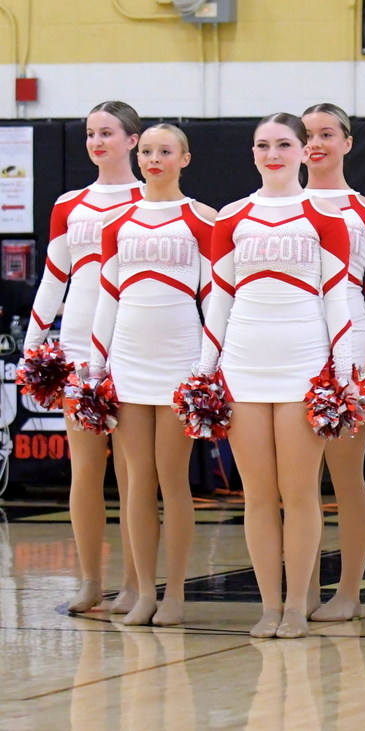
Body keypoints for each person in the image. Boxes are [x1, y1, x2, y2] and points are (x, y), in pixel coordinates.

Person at [199, 113, 354, 639]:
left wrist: (342, 372)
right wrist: (205, 372)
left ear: (303, 150)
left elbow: (337, 300)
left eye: (284, 144)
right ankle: (269, 606)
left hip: (304, 366)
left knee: (300, 492)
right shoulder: (232, 216)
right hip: (243, 364)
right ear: (253, 152)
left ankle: (296, 606)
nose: (273, 154)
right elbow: (219, 300)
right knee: (258, 494)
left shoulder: (325, 216)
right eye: (263, 145)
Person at [88, 124, 215, 626]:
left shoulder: (202, 218)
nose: (154, 158)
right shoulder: (117, 221)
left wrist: (207, 367)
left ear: (185, 158)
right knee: (137, 480)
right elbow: (107, 297)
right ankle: (143, 592)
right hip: (129, 360)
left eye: (165, 151)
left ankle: (176, 593)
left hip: (180, 358)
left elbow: (215, 298)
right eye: (146, 151)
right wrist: (97, 365)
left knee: (172, 479)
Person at [23, 101, 142, 614]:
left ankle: (136, 584)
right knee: (86, 472)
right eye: (91, 133)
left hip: (132, 346)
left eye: (107, 133)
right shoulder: (69, 204)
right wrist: (33, 344)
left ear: (132, 140)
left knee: (136, 475)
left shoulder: (150, 200)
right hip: (76, 348)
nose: (97, 142)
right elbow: (54, 278)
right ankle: (91, 581)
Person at [302, 103, 365, 623]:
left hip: (351, 346)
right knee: (297, 483)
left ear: (347, 143)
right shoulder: (275, 205)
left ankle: (349, 592)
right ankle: (303, 588)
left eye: (326, 134)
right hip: (290, 341)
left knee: (345, 476)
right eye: (306, 135)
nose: (315, 143)